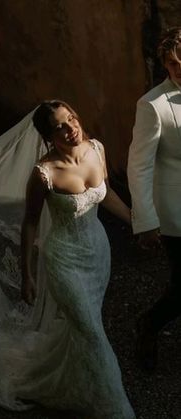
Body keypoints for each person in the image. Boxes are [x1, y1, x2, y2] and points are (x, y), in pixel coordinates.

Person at [0, 99, 135, 419]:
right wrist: (28, 274)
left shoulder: (96, 149)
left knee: (84, 329)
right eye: (60, 126)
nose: (70, 128)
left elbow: (109, 193)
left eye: (71, 119)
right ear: (49, 136)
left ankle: (73, 380)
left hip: (98, 255)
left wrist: (136, 222)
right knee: (90, 331)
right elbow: (30, 223)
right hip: (64, 261)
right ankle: (116, 409)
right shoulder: (44, 173)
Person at [127, 27, 181, 372]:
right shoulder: (152, 105)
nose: (180, 69)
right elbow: (139, 166)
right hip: (176, 213)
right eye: (174, 63)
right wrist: (146, 221)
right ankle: (149, 324)